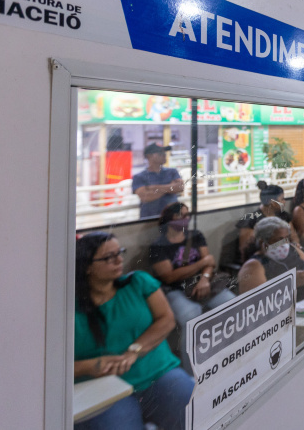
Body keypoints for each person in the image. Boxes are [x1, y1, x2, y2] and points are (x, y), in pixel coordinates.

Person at [74, 233, 194, 430]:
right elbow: (47, 368)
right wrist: (92, 365)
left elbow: (166, 320)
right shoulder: (69, 310)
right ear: (87, 266)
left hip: (156, 371)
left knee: (193, 412)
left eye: (119, 253)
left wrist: (134, 351)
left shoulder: (137, 283)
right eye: (108, 257)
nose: (119, 260)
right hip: (102, 388)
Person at [149, 203, 236, 370]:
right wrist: (201, 264)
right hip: (174, 289)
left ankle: (228, 355)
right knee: (191, 316)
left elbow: (210, 263)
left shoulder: (195, 236)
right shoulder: (159, 246)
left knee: (231, 304)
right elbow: (169, 276)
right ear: (169, 220)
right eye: (180, 216)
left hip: (201, 282)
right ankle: (192, 370)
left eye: (187, 215)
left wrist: (204, 278)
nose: (185, 219)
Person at [238, 216, 304, 301]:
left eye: (287, 238)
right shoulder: (253, 265)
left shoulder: (292, 248)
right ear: (263, 243)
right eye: (280, 239)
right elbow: (256, 302)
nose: (285, 243)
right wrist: (290, 283)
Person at [235, 181, 299, 263]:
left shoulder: (284, 216)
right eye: (282, 199)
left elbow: (294, 237)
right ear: (272, 202)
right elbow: (246, 250)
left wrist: (295, 245)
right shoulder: (251, 220)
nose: (284, 202)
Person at [132, 144, 185, 220]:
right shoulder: (139, 177)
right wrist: (171, 187)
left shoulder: (172, 172)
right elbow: (145, 197)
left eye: (164, 153)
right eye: (160, 153)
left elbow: (180, 187)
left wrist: (153, 188)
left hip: (172, 218)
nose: (164, 155)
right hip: (149, 219)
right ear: (149, 156)